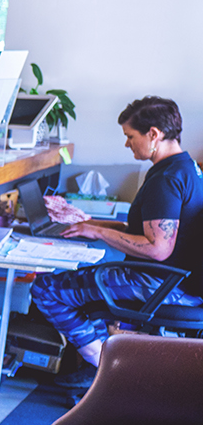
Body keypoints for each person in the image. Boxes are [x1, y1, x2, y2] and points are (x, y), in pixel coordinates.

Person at [30, 96, 203, 388]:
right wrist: (91, 225)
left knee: (46, 289)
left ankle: (111, 375)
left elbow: (159, 248)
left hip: (161, 283)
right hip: (176, 280)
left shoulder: (167, 179)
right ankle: (105, 361)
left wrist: (99, 234)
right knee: (85, 289)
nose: (127, 144)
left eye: (130, 137)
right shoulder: (188, 169)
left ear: (153, 134)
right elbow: (146, 229)